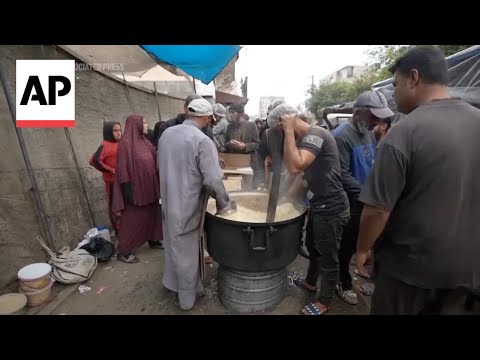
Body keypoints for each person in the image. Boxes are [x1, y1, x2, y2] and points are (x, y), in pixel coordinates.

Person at [356, 46, 480, 315]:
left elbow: (377, 211)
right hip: (467, 274)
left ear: (413, 78)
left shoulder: (404, 133)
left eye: (396, 84)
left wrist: (363, 249)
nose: (394, 94)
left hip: (409, 276)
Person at [268, 104, 350, 315]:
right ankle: (310, 282)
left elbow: (295, 166)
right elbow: (302, 176)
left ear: (284, 121)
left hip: (332, 208)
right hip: (318, 205)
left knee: (328, 257)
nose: (282, 135)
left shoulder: (316, 134)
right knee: (314, 248)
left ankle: (325, 301)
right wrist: (285, 199)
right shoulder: (306, 140)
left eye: (279, 129)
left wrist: (287, 130)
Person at [158, 98, 236, 311]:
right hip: (187, 203)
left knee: (172, 243)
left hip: (168, 199)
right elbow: (212, 180)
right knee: (187, 251)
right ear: (207, 117)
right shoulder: (202, 141)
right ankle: (187, 299)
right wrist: (225, 205)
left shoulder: (167, 134)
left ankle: (175, 285)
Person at [332, 90, 394, 305]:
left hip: (367, 199)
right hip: (351, 201)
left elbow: (371, 163)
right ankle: (342, 282)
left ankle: (357, 269)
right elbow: (341, 174)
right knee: (346, 243)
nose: (377, 122)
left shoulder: (368, 131)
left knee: (363, 242)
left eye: (380, 118)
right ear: (358, 113)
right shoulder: (340, 136)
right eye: (374, 117)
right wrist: (367, 196)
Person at [111, 115, 163, 264]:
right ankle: (124, 251)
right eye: (144, 122)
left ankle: (153, 239)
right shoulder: (125, 144)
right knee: (133, 220)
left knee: (153, 214)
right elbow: (121, 169)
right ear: (135, 125)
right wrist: (127, 190)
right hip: (135, 190)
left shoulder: (145, 142)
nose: (146, 125)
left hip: (149, 188)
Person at [89, 121, 122, 234]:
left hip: (122, 181)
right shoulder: (105, 145)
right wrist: (111, 170)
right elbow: (94, 161)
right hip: (112, 183)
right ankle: (119, 231)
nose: (118, 133)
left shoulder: (120, 143)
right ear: (109, 132)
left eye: (119, 130)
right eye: (115, 130)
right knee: (115, 208)